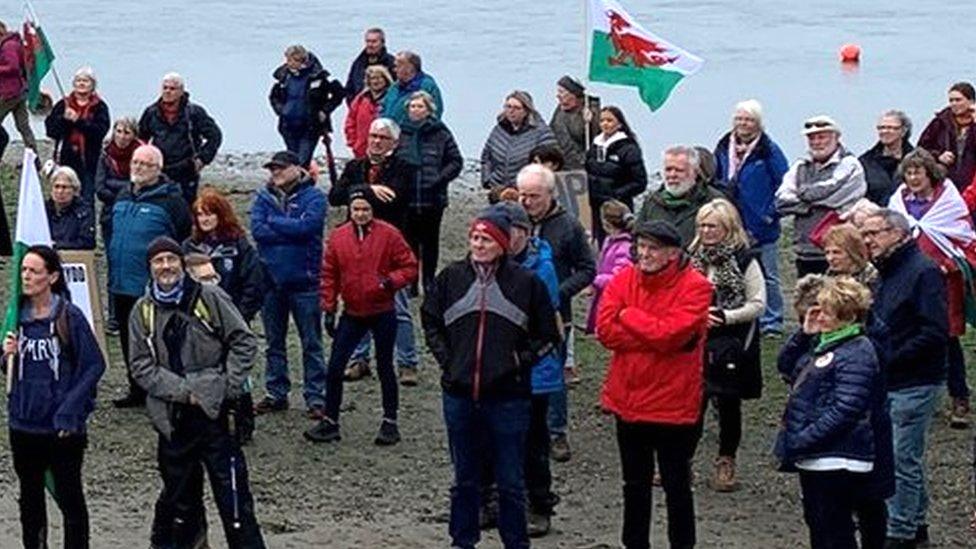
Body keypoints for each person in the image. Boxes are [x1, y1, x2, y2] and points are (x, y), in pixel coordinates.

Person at [421, 207, 561, 549]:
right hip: (459, 392)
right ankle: (462, 540)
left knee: (511, 480)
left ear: (502, 243)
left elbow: (549, 335)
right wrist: (448, 360)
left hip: (509, 396)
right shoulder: (451, 278)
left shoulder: (526, 284)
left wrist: (519, 361)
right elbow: (430, 321)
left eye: (486, 239)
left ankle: (515, 542)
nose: (479, 245)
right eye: (474, 238)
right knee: (465, 478)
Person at [129, 237, 266, 549]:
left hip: (217, 419)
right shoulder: (142, 311)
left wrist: (224, 388)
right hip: (173, 422)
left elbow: (244, 341)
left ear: (182, 264)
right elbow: (140, 366)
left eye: (171, 260)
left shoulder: (210, 296)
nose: (166, 267)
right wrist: (184, 392)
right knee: (180, 506)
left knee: (235, 505)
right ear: (150, 268)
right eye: (158, 261)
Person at [596, 219, 712, 549]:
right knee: (634, 484)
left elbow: (671, 335)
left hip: (673, 404)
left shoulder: (696, 286)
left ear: (673, 253)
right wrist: (653, 332)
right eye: (641, 247)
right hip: (628, 400)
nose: (644, 254)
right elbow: (605, 331)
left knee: (676, 486)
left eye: (652, 248)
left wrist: (628, 316)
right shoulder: (623, 278)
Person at [2, 245, 105, 549]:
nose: (26, 276)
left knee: (71, 500)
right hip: (24, 425)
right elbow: (8, 367)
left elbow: (94, 364)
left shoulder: (68, 316)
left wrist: (70, 411)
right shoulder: (16, 317)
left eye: (33, 271)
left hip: (62, 428)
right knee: (30, 501)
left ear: (52, 276)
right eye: (23, 270)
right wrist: (5, 355)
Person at [774, 276, 884, 549]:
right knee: (820, 528)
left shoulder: (857, 350)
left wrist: (803, 438)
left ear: (845, 315)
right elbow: (786, 366)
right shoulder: (826, 343)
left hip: (838, 457)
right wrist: (803, 333)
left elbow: (847, 408)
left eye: (825, 310)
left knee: (835, 532)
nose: (818, 315)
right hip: (818, 457)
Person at [859, 209, 947, 548]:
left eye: (874, 234)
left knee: (900, 457)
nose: (868, 241)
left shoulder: (922, 272)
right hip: (890, 378)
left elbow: (935, 330)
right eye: (864, 235)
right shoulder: (886, 272)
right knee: (900, 454)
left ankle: (900, 531)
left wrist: (891, 358)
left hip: (915, 379)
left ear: (898, 233)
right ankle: (916, 521)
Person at [305, 189, 418, 445]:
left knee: (385, 367)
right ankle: (330, 420)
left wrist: (389, 282)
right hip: (353, 312)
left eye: (365, 209)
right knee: (334, 368)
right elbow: (329, 274)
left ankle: (390, 421)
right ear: (350, 209)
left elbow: (410, 266)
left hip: (382, 311)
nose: (360, 214)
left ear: (373, 209)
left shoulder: (389, 234)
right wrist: (329, 308)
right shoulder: (338, 237)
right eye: (356, 209)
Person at [488, 200, 564, 537]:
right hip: (494, 368)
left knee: (533, 442)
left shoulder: (541, 269)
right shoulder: (488, 264)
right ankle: (493, 500)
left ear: (523, 232)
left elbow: (548, 326)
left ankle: (539, 505)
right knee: (491, 437)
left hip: (532, 369)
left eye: (510, 231)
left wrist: (523, 357)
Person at [887, 149, 976, 429]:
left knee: (946, 338)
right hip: (906, 280)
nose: (913, 178)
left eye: (918, 172)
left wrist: (948, 266)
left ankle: (959, 395)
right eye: (909, 172)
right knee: (908, 333)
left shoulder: (949, 202)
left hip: (941, 282)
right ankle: (913, 392)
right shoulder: (898, 202)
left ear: (930, 174)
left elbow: (966, 242)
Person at [331, 118, 420, 383]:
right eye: (373, 136)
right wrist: (367, 189)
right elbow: (335, 195)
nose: (376, 141)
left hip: (390, 245)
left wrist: (357, 194)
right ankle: (360, 358)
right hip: (356, 246)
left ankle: (407, 362)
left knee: (400, 308)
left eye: (382, 137)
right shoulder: (355, 166)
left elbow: (396, 198)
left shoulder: (403, 168)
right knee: (357, 303)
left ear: (394, 142)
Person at [517, 164, 596, 462]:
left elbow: (588, 270)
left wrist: (557, 292)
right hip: (514, 310)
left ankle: (557, 432)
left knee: (554, 373)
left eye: (534, 196)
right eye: (523, 195)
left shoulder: (569, 226)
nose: (527, 202)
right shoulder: (513, 220)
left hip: (555, 313)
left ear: (550, 194)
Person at [688, 198, 766, 493]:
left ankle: (726, 459)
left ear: (728, 228)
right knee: (693, 401)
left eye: (712, 226)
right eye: (702, 226)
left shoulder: (745, 259)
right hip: (696, 338)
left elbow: (758, 304)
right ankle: (684, 458)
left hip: (731, 340)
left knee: (728, 403)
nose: (706, 231)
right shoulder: (692, 256)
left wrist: (725, 316)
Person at [107, 144, 192, 408]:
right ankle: (136, 389)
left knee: (155, 340)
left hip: (150, 286)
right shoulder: (122, 195)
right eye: (135, 162)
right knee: (127, 338)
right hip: (120, 282)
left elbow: (185, 236)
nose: (138, 168)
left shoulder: (172, 201)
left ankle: (161, 389)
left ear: (158, 168)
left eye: (145, 164)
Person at [250, 151, 328, 418]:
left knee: (312, 343)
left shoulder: (315, 197)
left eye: (281, 168)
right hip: (270, 281)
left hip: (305, 281)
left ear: (298, 168)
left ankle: (316, 397)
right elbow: (258, 231)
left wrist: (276, 224)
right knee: (274, 341)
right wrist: (289, 227)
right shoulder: (263, 197)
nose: (276, 172)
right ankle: (276, 392)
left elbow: (308, 228)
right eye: (273, 169)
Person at [714, 99, 790, 336]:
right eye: (739, 119)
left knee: (768, 274)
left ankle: (772, 321)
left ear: (758, 123)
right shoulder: (724, 145)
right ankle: (740, 314)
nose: (743, 124)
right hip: (731, 220)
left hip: (760, 223)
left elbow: (785, 184)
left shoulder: (769, 150)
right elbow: (715, 175)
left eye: (748, 120)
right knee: (733, 271)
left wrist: (769, 215)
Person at [776, 115, 867, 276]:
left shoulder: (850, 165)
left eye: (822, 137)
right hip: (804, 250)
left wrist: (802, 195)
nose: (816, 142)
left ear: (836, 137)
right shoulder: (800, 166)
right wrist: (811, 204)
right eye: (811, 138)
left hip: (841, 252)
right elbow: (781, 201)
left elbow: (834, 193)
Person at [398, 90, 463, 294]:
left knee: (430, 242)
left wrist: (441, 178)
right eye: (413, 106)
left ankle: (428, 280)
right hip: (407, 198)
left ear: (429, 110)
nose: (416, 110)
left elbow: (455, 161)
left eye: (420, 106)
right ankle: (411, 282)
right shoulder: (400, 132)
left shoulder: (441, 133)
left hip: (433, 197)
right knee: (408, 242)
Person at [138, 72, 222, 204]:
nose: (168, 92)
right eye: (165, 88)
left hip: (186, 170)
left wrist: (202, 159)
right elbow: (141, 139)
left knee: (185, 211)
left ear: (181, 91)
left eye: (172, 88)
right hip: (160, 169)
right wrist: (143, 162)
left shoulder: (194, 112)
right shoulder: (151, 112)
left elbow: (215, 136)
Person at [183, 188, 264, 324]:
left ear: (221, 215)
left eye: (209, 214)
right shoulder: (190, 246)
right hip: (197, 319)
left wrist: (241, 316)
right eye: (200, 215)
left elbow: (254, 283)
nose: (204, 219)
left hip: (232, 316)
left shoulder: (239, 245)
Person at [44, 66, 110, 208]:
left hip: (88, 161)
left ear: (93, 85)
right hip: (65, 159)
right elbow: (51, 131)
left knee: (86, 200)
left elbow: (100, 132)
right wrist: (64, 119)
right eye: (78, 80)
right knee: (64, 198)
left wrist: (78, 121)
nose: (81, 83)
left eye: (85, 81)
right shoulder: (63, 104)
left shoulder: (100, 107)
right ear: (73, 84)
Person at [269, 45, 345, 167]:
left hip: (310, 127)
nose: (288, 63)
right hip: (288, 125)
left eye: (292, 60)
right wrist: (281, 110)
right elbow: (273, 97)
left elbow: (339, 94)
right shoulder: (284, 77)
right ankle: (295, 182)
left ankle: (301, 181)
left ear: (301, 60)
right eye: (287, 60)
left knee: (303, 160)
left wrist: (325, 111)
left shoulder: (318, 76)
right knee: (292, 159)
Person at [638, 145, 726, 246]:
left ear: (694, 172)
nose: (672, 175)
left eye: (679, 170)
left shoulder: (713, 202)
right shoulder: (652, 202)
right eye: (668, 169)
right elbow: (637, 238)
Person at [585, 106, 647, 244]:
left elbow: (640, 182)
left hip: (617, 209)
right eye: (602, 121)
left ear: (619, 124)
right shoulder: (594, 146)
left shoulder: (629, 149)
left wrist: (616, 194)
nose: (605, 124)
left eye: (609, 120)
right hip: (595, 207)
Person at [482, 90, 558, 195]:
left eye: (516, 108)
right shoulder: (499, 129)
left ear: (527, 110)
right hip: (497, 189)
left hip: (526, 191)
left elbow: (550, 164)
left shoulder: (541, 133)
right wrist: (487, 179)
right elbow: (486, 157)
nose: (511, 111)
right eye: (508, 107)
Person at [585, 199, 634, 335]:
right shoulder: (610, 241)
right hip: (604, 293)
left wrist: (594, 279)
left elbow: (619, 278)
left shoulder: (625, 247)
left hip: (615, 297)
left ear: (605, 223)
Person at [917, 82, 976, 192]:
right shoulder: (941, 122)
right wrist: (938, 156)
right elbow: (921, 149)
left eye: (958, 100)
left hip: (973, 182)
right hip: (945, 181)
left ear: (971, 101)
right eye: (951, 100)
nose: (953, 104)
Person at [95, 117, 141, 252]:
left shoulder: (140, 154)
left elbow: (139, 185)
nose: (122, 137)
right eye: (119, 131)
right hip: (110, 209)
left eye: (127, 133)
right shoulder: (105, 153)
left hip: (134, 209)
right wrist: (123, 192)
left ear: (134, 135)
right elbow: (100, 187)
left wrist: (113, 185)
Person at [860, 110, 914, 205]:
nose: (885, 131)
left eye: (890, 128)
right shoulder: (865, 162)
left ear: (903, 131)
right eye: (881, 128)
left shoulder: (917, 160)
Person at [549, 75, 599, 171]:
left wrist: (591, 122)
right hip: (560, 164)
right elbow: (551, 131)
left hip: (581, 167)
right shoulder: (559, 110)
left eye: (561, 92)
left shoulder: (591, 111)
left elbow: (594, 139)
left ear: (574, 95)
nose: (557, 95)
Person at [0, 21, 37, 151]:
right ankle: (34, 159)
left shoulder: (8, 46)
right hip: (18, 91)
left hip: (9, 92)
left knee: (23, 126)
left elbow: (13, 67)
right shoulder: (11, 43)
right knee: (23, 126)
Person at [344, 65, 393, 159]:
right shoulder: (361, 98)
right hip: (361, 147)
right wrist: (353, 141)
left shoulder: (391, 98)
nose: (375, 81)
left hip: (384, 148)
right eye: (372, 78)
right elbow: (350, 120)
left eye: (379, 78)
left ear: (385, 79)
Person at [382, 51, 443, 125]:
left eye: (397, 66)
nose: (394, 70)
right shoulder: (394, 87)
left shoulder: (427, 86)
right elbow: (383, 107)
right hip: (390, 132)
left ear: (409, 68)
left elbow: (436, 112)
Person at [46, 166, 96, 250]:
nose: (60, 191)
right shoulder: (43, 210)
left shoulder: (84, 211)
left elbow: (87, 242)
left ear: (74, 190)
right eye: (56, 186)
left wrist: (58, 245)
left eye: (64, 187)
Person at [345, 27, 396, 103]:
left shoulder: (392, 63)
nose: (370, 45)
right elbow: (349, 89)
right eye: (368, 41)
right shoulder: (358, 63)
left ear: (382, 43)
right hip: (360, 108)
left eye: (374, 42)